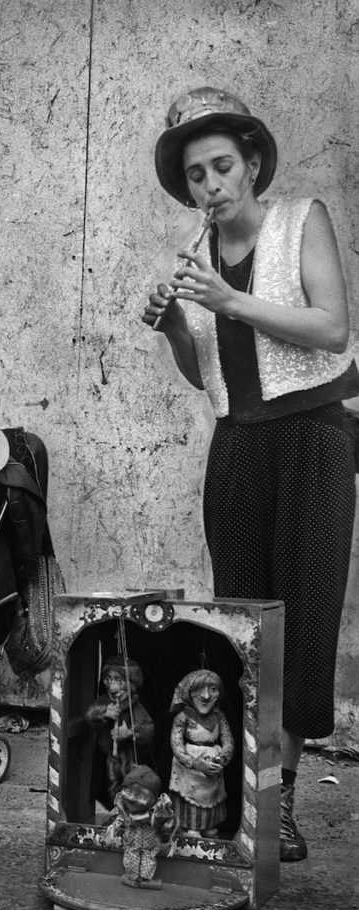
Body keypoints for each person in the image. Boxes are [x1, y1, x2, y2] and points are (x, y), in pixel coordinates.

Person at [142, 87, 358, 861]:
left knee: (299, 619)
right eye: (196, 175)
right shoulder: (195, 259)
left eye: (222, 167)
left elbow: (332, 328)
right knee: (242, 619)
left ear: (253, 163)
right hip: (238, 442)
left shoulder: (302, 221)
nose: (211, 187)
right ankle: (243, 798)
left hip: (312, 436)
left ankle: (283, 805)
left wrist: (230, 298)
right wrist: (175, 323)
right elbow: (210, 378)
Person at [168, 669, 234, 838]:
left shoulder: (219, 717)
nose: (205, 696)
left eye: (212, 689)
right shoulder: (183, 717)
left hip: (213, 765)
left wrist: (222, 759)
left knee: (211, 799)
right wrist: (195, 763)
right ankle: (191, 828)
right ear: (188, 692)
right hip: (189, 768)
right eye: (199, 690)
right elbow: (177, 745)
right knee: (190, 799)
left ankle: (207, 826)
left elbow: (228, 741)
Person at [84, 655, 155, 806]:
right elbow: (90, 716)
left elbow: (148, 728)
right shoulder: (105, 701)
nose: (113, 687)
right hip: (109, 756)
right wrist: (103, 712)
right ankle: (116, 809)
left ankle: (128, 810)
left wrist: (130, 733)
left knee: (130, 782)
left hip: (129, 756)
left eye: (119, 680)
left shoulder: (134, 706)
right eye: (109, 680)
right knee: (111, 783)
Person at [103, 765, 176, 889]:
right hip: (132, 839)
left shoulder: (156, 809)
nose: (133, 799)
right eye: (129, 792)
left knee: (148, 854)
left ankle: (145, 878)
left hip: (149, 840)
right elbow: (119, 819)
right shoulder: (125, 809)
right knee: (132, 853)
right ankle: (133, 877)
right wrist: (112, 828)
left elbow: (163, 819)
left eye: (141, 796)